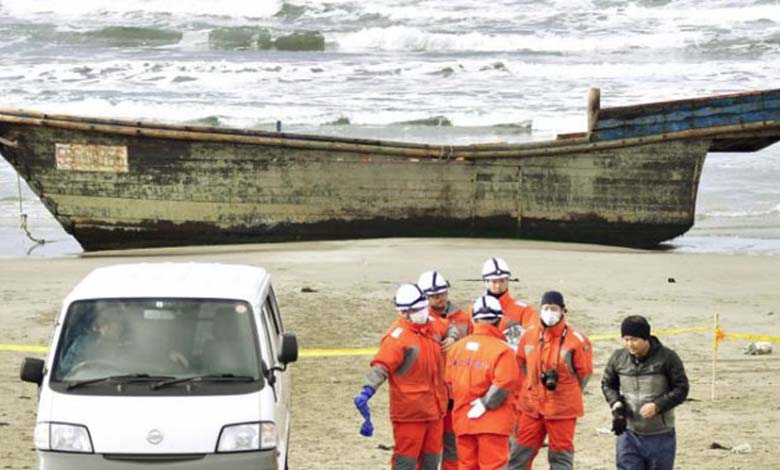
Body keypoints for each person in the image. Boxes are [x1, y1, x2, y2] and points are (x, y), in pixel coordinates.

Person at [353, 284, 449, 470]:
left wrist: (451, 338)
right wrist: (367, 390)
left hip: (435, 411)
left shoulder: (432, 325)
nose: (422, 312)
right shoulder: (397, 338)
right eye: (416, 309)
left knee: (431, 461)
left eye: (422, 307)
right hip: (410, 415)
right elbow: (381, 367)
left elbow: (449, 328)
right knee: (406, 462)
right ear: (404, 312)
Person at [508, 291, 593, 470]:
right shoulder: (529, 335)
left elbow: (584, 374)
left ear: (563, 310)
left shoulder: (576, 340)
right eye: (546, 308)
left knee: (561, 459)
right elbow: (521, 364)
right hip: (532, 408)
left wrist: (568, 393)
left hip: (562, 410)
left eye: (554, 308)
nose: (549, 312)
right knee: (519, 456)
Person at [601, 315, 689, 470]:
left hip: (660, 434)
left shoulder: (668, 357)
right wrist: (616, 403)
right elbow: (607, 384)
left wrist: (658, 405)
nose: (630, 344)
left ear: (646, 337)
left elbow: (681, 388)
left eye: (634, 339)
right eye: (626, 339)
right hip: (628, 433)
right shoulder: (618, 358)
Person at [446, 295, 520, 470]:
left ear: (474, 319)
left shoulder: (456, 349)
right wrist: (485, 404)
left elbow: (449, 383)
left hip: (464, 421)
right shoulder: (503, 350)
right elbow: (504, 383)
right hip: (494, 424)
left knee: (466, 466)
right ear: (499, 320)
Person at [417, 269, 470, 470]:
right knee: (426, 447)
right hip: (429, 394)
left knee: (453, 446)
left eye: (443, 294)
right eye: (434, 295)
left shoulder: (463, 318)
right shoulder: (421, 321)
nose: (440, 299)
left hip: (456, 393)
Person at [477, 257, 538, 345]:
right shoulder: (475, 309)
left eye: (502, 281)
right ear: (485, 281)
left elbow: (535, 334)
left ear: (507, 280)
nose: (498, 286)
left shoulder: (524, 310)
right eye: (494, 282)